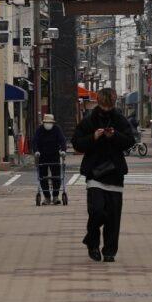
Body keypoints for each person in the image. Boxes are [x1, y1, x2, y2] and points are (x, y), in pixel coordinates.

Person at [73, 87, 134, 263]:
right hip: (94, 174)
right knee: (97, 211)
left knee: (114, 217)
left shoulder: (120, 120)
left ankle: (109, 251)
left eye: (109, 106)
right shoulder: (89, 120)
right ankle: (92, 242)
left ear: (113, 104)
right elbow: (77, 143)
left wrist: (114, 136)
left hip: (115, 173)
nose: (106, 109)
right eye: (103, 106)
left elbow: (130, 141)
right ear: (98, 103)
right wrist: (94, 136)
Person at [32, 114, 66, 205]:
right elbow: (35, 141)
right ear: (43, 123)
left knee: (56, 176)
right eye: (46, 122)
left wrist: (63, 150)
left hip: (54, 155)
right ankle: (47, 197)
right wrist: (36, 151)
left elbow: (62, 140)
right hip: (42, 155)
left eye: (50, 123)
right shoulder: (40, 130)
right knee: (43, 177)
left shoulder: (56, 129)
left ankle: (55, 196)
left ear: (53, 123)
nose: (48, 124)